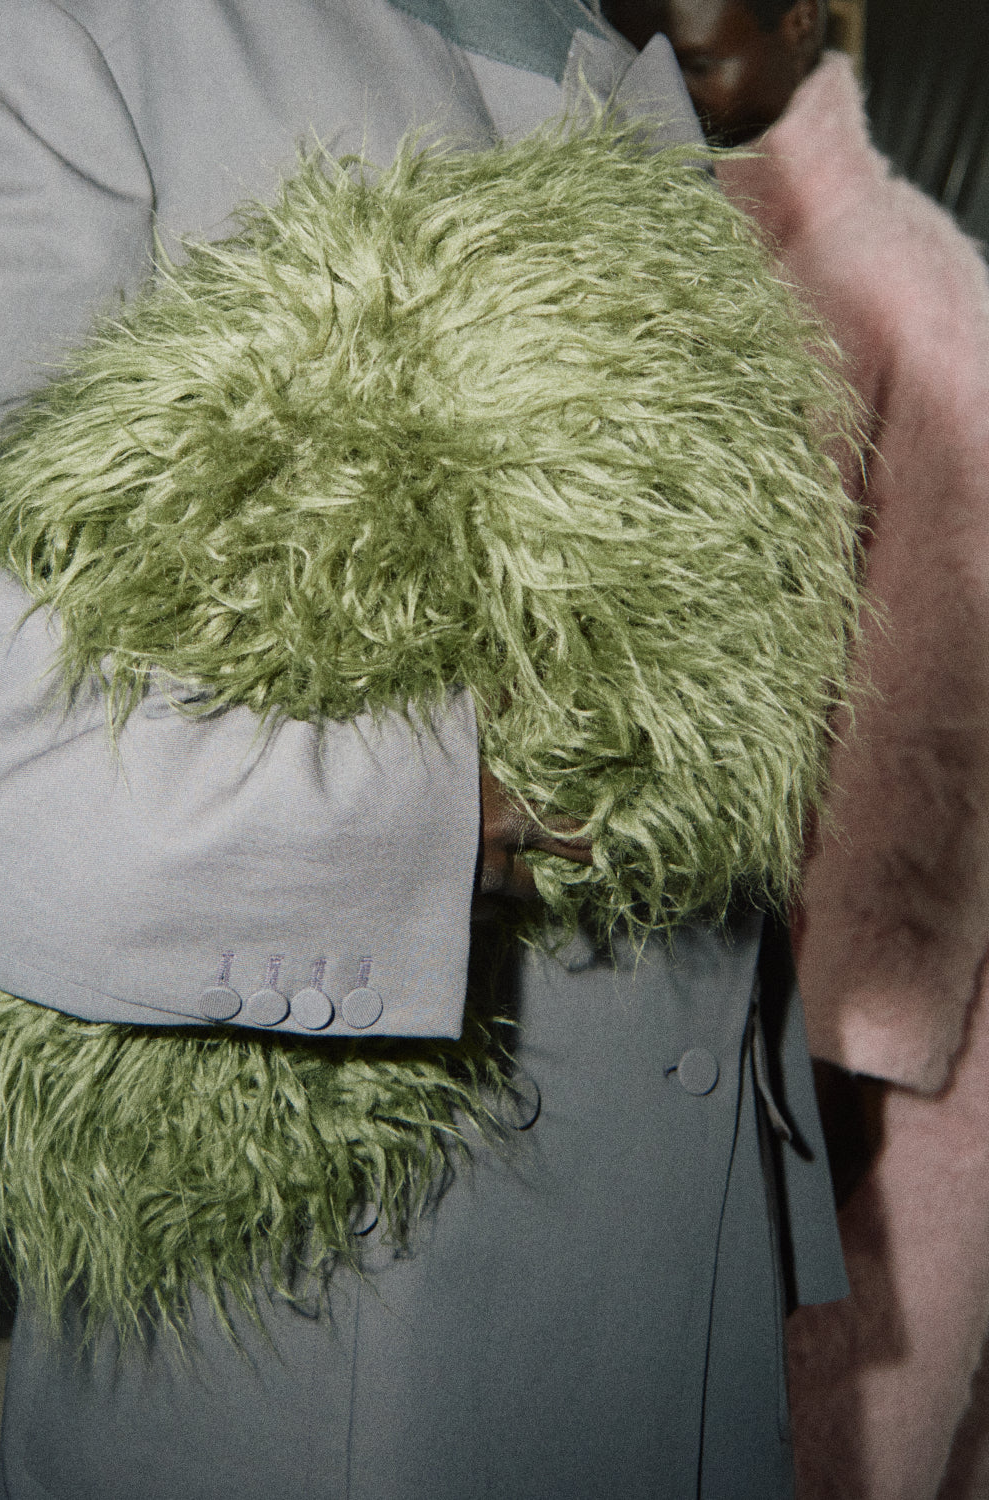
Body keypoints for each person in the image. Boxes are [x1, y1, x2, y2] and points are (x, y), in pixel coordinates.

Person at [0, 3, 849, 1495]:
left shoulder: (623, 64)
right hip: (337, 1254)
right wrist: (386, 823)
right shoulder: (148, 29)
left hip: (666, 1210)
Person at [604, 2, 989, 1496]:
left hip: (858, 1029)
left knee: (837, 1425)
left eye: (705, 43)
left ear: (808, 14)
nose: (670, 54)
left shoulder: (912, 287)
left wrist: (844, 1059)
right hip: (698, 991)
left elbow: (934, 722)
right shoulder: (652, 246)